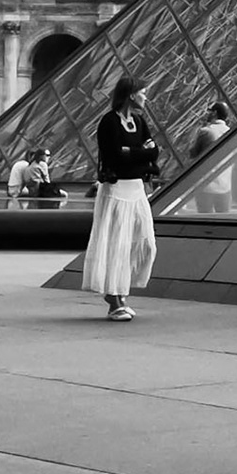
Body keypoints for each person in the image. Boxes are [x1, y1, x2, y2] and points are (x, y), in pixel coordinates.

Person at [83, 76, 160, 322]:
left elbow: (154, 151)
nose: (146, 97)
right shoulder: (109, 122)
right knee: (116, 245)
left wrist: (132, 152)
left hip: (137, 189)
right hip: (116, 191)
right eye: (143, 93)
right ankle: (114, 298)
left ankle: (120, 289)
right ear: (131, 95)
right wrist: (140, 153)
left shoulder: (139, 121)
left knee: (145, 242)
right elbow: (115, 156)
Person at [188, 101, 234, 214]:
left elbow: (193, 153)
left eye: (210, 111)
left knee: (204, 220)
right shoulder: (231, 132)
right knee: (224, 223)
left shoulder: (206, 132)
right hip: (225, 185)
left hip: (206, 186)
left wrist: (194, 134)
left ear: (214, 113)